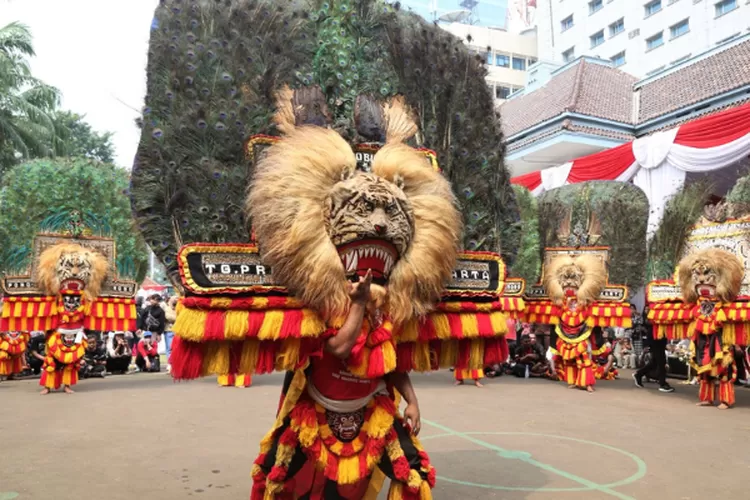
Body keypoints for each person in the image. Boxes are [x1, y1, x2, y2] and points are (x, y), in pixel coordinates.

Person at [633, 308, 675, 393]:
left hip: (661, 337)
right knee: (661, 361)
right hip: (654, 338)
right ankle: (662, 383)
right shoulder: (652, 312)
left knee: (655, 362)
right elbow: (648, 322)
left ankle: (639, 374)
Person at [161, 295, 178, 374]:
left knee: (176, 348)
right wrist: (177, 318)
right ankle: (170, 365)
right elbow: (167, 317)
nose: (176, 300)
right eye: (175, 299)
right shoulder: (166, 308)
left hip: (177, 330)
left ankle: (175, 364)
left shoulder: (179, 308)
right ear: (170, 300)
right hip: (169, 330)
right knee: (170, 348)